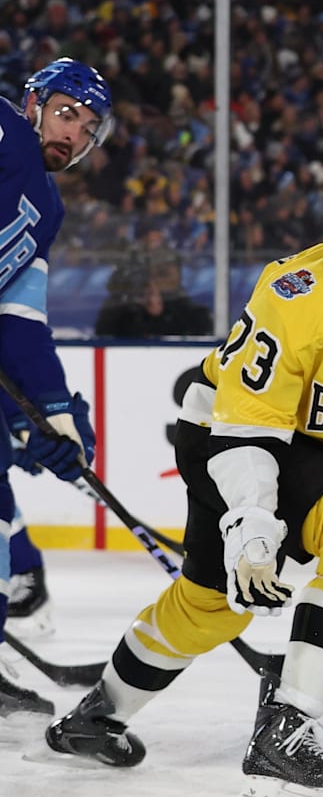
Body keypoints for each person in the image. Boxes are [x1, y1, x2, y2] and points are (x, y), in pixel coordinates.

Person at [46, 162, 323, 795]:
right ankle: (286, 730)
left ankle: (98, 716)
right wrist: (252, 524)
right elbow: (251, 424)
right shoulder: (297, 294)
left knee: (210, 608)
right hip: (229, 437)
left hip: (308, 454)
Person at [0, 57, 113, 720]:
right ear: (34, 101)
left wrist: (55, 413)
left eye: (89, 127)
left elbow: (20, 321)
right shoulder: (7, 130)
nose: (75, 134)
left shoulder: (46, 208)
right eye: (68, 113)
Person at [93, 249, 214, 338]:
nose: (157, 280)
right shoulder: (126, 310)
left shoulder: (192, 313)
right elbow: (103, 335)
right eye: (153, 273)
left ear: (179, 277)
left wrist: (160, 314)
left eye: (163, 273)